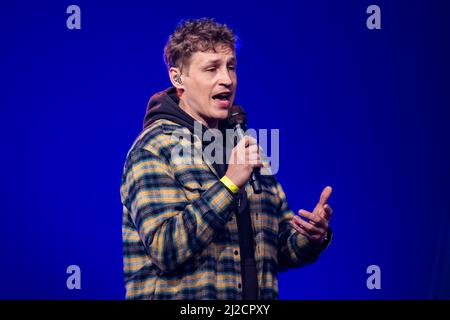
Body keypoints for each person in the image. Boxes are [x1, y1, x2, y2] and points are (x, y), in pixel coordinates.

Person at [120, 18, 333, 300]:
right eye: (211, 68)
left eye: (231, 66)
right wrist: (230, 184)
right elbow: (165, 249)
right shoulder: (155, 148)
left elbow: (278, 250)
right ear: (178, 78)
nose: (227, 79)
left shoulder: (245, 148)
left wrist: (311, 237)